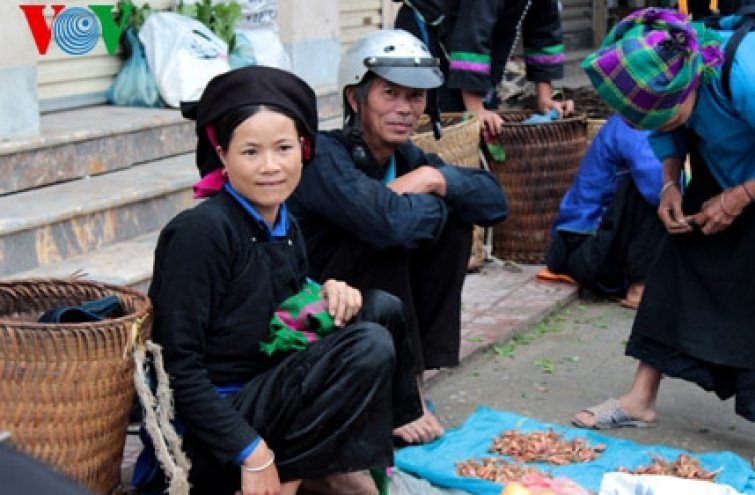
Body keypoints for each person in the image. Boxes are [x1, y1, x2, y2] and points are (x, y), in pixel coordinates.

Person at [574, 7, 755, 476]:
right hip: (730, 138)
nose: (659, 126)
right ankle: (641, 398)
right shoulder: (667, 74)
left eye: (666, 116)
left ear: (689, 85)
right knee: (682, 254)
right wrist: (670, 184)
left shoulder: (754, 80)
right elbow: (665, 128)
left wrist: (739, 197)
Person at [144, 65, 425, 495]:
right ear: (222, 154)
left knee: (380, 309)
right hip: (211, 437)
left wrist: (326, 290)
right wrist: (253, 454)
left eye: (283, 148)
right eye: (251, 152)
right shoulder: (201, 233)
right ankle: (299, 477)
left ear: (304, 150)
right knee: (365, 346)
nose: (271, 167)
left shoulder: (282, 220)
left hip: (268, 398)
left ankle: (341, 461)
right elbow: (177, 369)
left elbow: (283, 315)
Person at [287, 29, 508, 446]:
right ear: (356, 99)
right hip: (318, 301)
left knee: (453, 227)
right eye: (390, 94)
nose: (404, 109)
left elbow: (495, 204)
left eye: (415, 97)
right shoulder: (323, 156)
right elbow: (388, 226)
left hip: (373, 301)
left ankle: (413, 387)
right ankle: (394, 393)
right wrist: (426, 202)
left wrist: (432, 177)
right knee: (390, 235)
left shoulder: (409, 158)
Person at [394, 0, 574, 136]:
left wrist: (544, 99)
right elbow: (473, 33)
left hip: (474, 31)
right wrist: (476, 110)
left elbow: (544, 29)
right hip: (430, 26)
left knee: (487, 117)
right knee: (444, 118)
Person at [545, 113, 666, 309]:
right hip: (587, 250)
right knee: (660, 190)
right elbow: (658, 188)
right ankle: (640, 286)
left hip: (606, 245)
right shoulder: (633, 122)